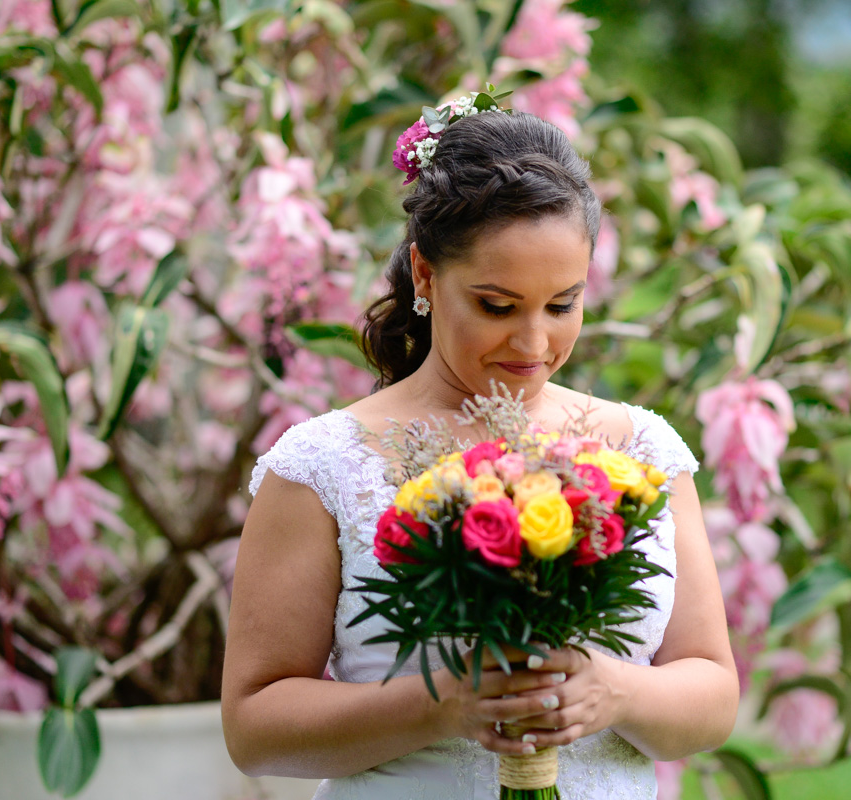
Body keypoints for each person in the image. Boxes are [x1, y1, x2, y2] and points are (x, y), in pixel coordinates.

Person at [221, 106, 739, 800]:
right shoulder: (323, 464)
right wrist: (443, 705)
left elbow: (712, 697)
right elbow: (254, 728)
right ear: (426, 275)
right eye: (497, 306)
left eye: (562, 304)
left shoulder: (640, 449)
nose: (533, 344)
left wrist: (613, 692)